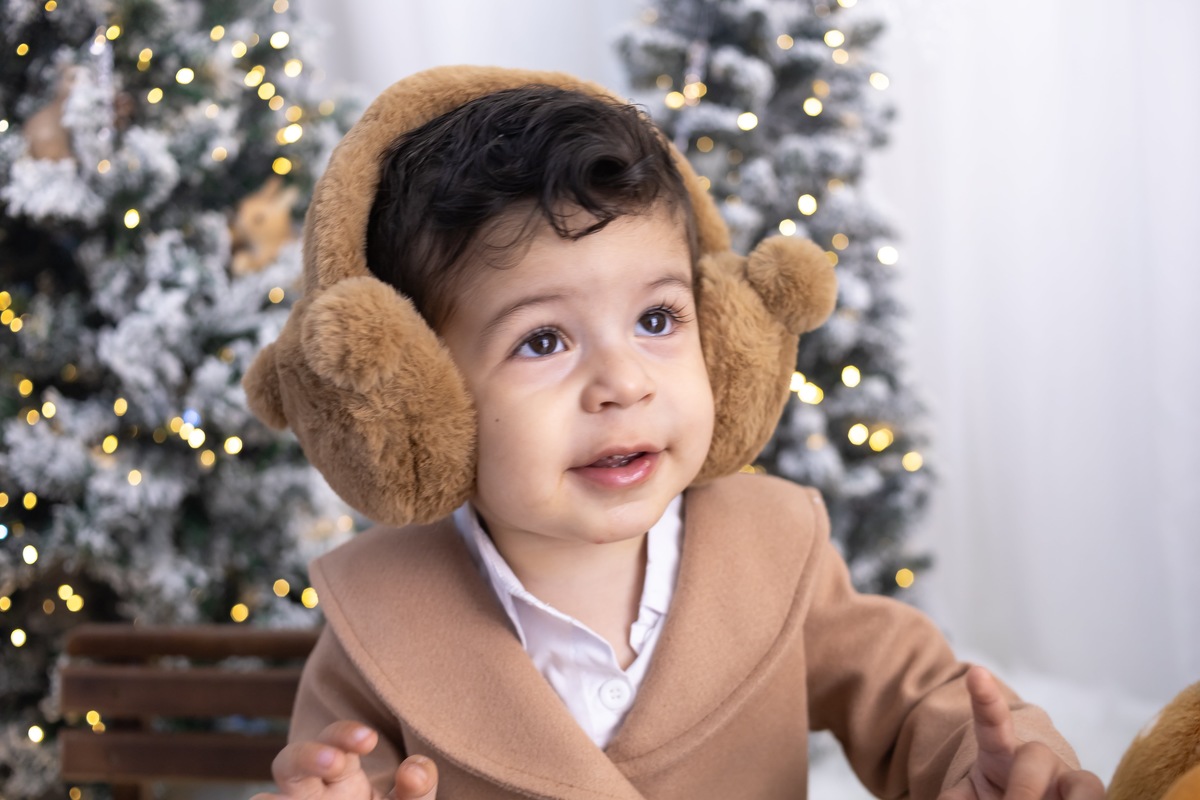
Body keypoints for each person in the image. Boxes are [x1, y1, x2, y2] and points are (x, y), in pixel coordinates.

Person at [244, 66, 1104, 800]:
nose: (624, 383)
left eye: (659, 318)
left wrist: (980, 768)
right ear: (419, 394)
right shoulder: (379, 623)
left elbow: (919, 701)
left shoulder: (775, 546)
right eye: (543, 340)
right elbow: (335, 772)